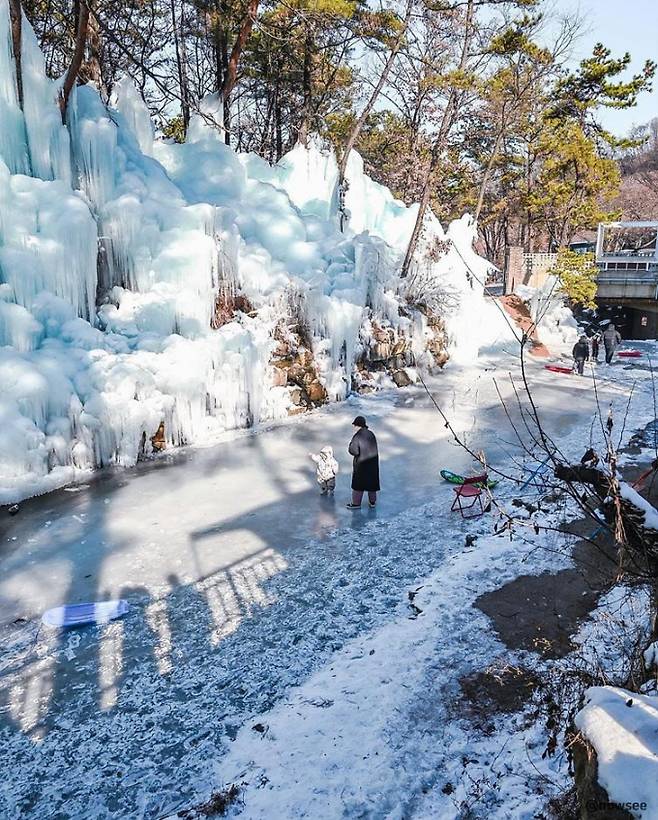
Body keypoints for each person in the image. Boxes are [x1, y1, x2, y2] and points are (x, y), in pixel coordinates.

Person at [346, 416, 380, 509]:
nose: (354, 427)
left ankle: (356, 504)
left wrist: (350, 445)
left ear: (358, 425)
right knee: (372, 484)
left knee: (358, 485)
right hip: (372, 463)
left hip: (361, 465)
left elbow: (354, 451)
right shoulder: (371, 434)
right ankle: (372, 502)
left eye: (355, 425)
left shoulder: (357, 436)